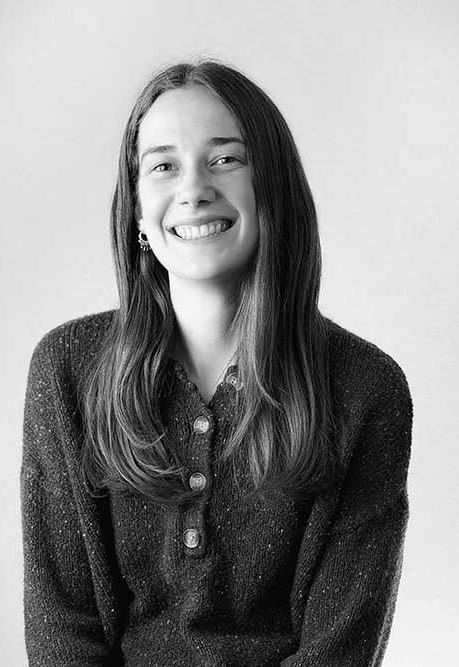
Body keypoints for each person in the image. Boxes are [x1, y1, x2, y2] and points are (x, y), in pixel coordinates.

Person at [21, 58, 413, 667]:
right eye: (163, 165)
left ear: (270, 185)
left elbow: (341, 648)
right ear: (138, 211)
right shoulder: (67, 371)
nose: (193, 188)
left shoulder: (366, 389)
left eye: (225, 158)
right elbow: (62, 629)